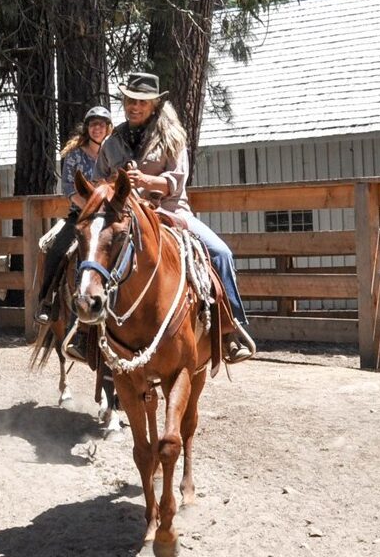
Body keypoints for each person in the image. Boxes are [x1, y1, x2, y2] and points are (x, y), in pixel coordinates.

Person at [96, 72, 253, 363]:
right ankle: (82, 331)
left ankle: (231, 330)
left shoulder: (172, 137)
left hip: (169, 212)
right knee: (88, 256)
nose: (134, 106)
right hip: (127, 216)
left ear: (154, 104)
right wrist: (114, 187)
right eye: (130, 100)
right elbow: (99, 180)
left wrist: (143, 179)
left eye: (141, 102)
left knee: (220, 253)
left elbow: (176, 182)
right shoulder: (112, 142)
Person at [36, 105, 113, 324]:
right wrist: (91, 209)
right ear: (87, 128)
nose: (97, 128)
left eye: (101, 124)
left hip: (109, 217)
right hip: (81, 215)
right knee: (58, 249)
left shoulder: (115, 153)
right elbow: (69, 189)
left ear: (108, 128)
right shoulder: (74, 156)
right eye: (93, 124)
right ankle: (46, 299)